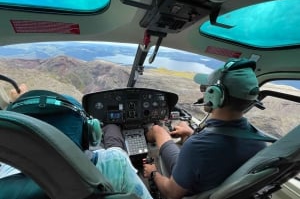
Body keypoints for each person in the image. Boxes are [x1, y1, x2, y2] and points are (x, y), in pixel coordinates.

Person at [143, 58, 267, 199]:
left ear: (215, 94)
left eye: (205, 88)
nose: (203, 93)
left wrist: (153, 173)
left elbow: (172, 193)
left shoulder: (197, 146)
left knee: (159, 130)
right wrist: (191, 133)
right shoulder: (259, 142)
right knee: (184, 135)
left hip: (188, 188)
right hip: (211, 182)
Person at [0, 90, 152, 199]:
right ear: (91, 132)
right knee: (114, 140)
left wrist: (20, 106)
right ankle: (112, 127)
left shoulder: (4, 175)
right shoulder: (114, 163)